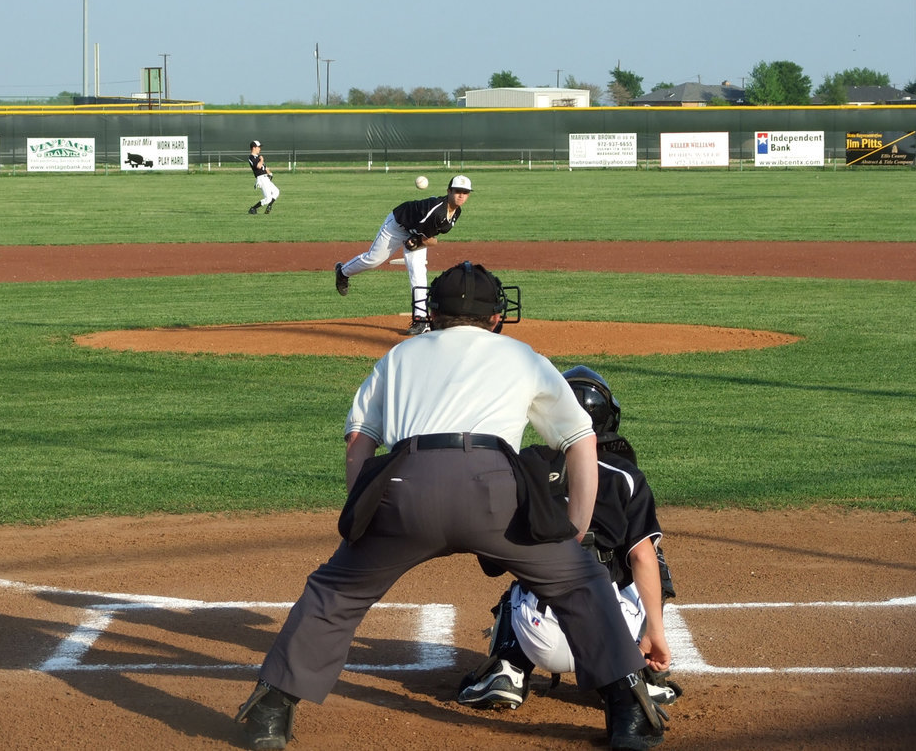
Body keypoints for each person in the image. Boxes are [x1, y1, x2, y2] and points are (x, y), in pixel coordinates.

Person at [236, 262, 669, 751]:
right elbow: (580, 441)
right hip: (493, 490)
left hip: (405, 485)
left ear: (433, 313)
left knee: (336, 592)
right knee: (579, 582)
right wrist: (574, 529)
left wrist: (365, 510)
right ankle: (630, 713)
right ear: (496, 318)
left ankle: (270, 712)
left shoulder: (399, 356)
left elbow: (360, 440)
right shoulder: (522, 356)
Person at [456, 365, 682, 712]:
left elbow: (492, 558)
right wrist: (657, 631)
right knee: (649, 552)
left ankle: (508, 670)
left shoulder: (527, 465)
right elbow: (640, 558)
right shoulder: (626, 476)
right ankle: (635, 677)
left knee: (520, 579)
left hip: (539, 631)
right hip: (611, 632)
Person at [334, 175, 472, 336]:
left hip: (418, 233)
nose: (461, 195)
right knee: (374, 259)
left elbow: (427, 239)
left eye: (465, 192)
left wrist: (421, 241)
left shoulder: (456, 212)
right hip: (397, 226)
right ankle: (343, 272)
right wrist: (422, 241)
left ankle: (420, 320)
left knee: (418, 271)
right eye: (457, 191)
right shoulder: (437, 211)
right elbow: (428, 240)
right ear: (449, 191)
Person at [247, 140, 280, 214]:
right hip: (261, 178)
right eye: (258, 147)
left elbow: (264, 167)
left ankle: (269, 206)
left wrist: (270, 173)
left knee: (276, 191)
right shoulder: (251, 157)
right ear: (253, 148)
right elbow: (258, 166)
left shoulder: (258, 157)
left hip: (266, 178)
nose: (260, 149)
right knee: (268, 198)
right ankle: (253, 209)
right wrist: (261, 159)